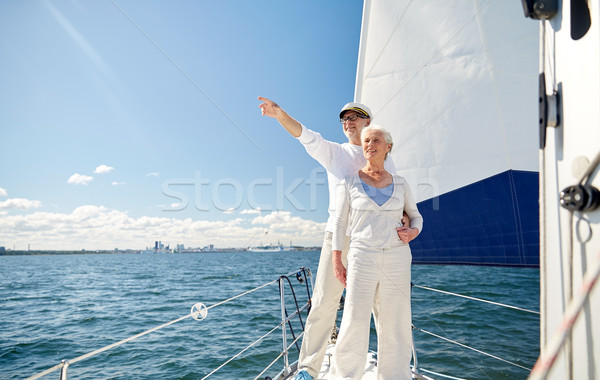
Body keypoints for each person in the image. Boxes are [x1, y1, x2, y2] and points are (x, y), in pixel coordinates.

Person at [258, 97, 398, 380]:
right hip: (338, 237)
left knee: (381, 305)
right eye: (344, 118)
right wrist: (280, 114)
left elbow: (395, 194)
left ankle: (390, 368)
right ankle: (308, 369)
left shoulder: (384, 156)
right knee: (323, 302)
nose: (348, 122)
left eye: (355, 117)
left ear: (368, 122)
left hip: (374, 237)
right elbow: (304, 134)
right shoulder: (335, 153)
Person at [330, 125, 422, 380]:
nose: (370, 144)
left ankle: (396, 376)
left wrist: (413, 232)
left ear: (387, 146)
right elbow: (339, 224)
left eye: (376, 140)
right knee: (353, 319)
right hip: (362, 255)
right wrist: (337, 261)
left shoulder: (401, 183)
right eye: (366, 140)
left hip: (397, 257)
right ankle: (345, 376)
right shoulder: (349, 182)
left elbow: (416, 217)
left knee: (396, 321)